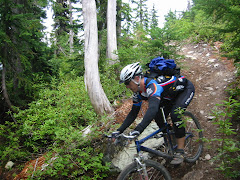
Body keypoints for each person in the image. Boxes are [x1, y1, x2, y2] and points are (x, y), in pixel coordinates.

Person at [112, 62, 195, 165]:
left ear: (137, 79)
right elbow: (133, 113)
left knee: (175, 115)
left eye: (128, 83)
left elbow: (152, 108)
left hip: (184, 90)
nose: (127, 86)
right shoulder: (138, 92)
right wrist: (119, 130)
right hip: (168, 96)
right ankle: (172, 137)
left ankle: (180, 152)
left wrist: (139, 129)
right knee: (158, 117)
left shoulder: (152, 85)